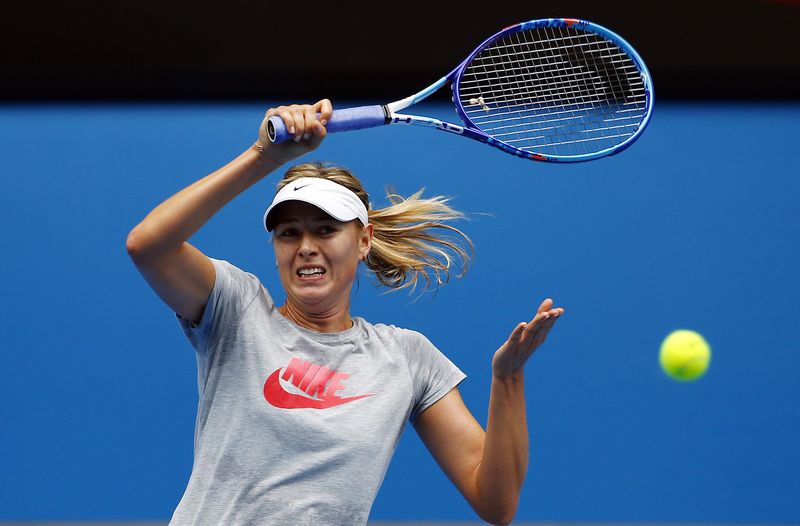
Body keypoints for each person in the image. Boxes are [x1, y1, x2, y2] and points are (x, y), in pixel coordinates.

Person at [126, 99, 564, 526]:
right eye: (288, 233)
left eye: (326, 230)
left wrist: (508, 378)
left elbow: (496, 503)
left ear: (363, 240)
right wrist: (265, 155)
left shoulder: (408, 358)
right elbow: (148, 245)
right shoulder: (237, 311)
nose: (305, 247)